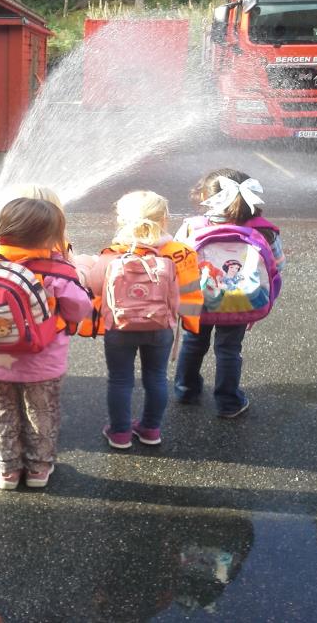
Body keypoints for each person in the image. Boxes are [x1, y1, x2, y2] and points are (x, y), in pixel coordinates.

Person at [0, 198, 91, 489]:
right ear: (52, 236)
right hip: (42, 361)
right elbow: (79, 310)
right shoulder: (56, 271)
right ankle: (38, 469)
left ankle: (6, 470)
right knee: (42, 413)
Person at [75, 191, 202, 449]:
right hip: (161, 327)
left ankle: (120, 433)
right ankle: (150, 430)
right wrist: (189, 323)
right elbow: (190, 293)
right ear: (165, 219)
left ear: (121, 220)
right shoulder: (181, 253)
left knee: (120, 379)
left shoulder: (112, 254)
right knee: (156, 377)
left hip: (119, 328)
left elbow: (95, 289)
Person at [173, 168, 285, 418]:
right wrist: (261, 302)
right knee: (228, 350)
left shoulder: (192, 227)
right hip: (241, 301)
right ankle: (228, 402)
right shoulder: (265, 231)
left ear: (206, 197)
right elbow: (277, 267)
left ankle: (185, 390)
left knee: (193, 343)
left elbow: (177, 262)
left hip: (198, 301)